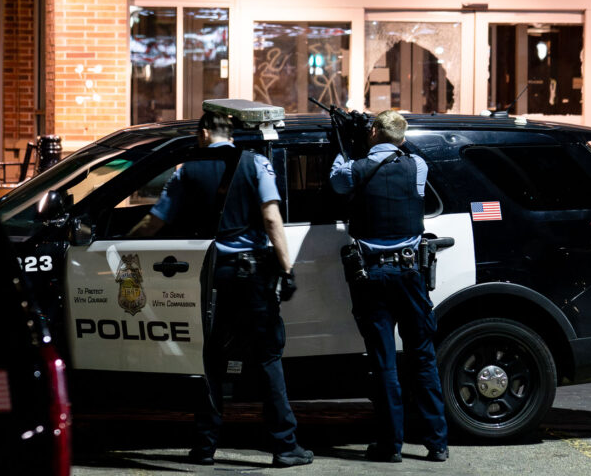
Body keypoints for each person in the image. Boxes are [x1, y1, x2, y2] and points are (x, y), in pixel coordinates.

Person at [131, 111, 313, 468]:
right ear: (229, 133)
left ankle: (204, 447)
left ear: (203, 132)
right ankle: (285, 447)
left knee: (210, 362)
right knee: (267, 360)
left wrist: (119, 245)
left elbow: (155, 220)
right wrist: (286, 269)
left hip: (211, 278)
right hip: (254, 276)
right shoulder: (257, 163)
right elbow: (272, 217)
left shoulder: (186, 171)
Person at [329, 110, 448, 463]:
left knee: (384, 363)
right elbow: (401, 147)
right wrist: (385, 134)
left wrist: (353, 140)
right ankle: (437, 443)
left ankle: (389, 445)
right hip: (411, 276)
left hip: (372, 277)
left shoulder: (354, 169)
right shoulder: (418, 167)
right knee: (423, 359)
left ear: (374, 132)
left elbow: (337, 179)